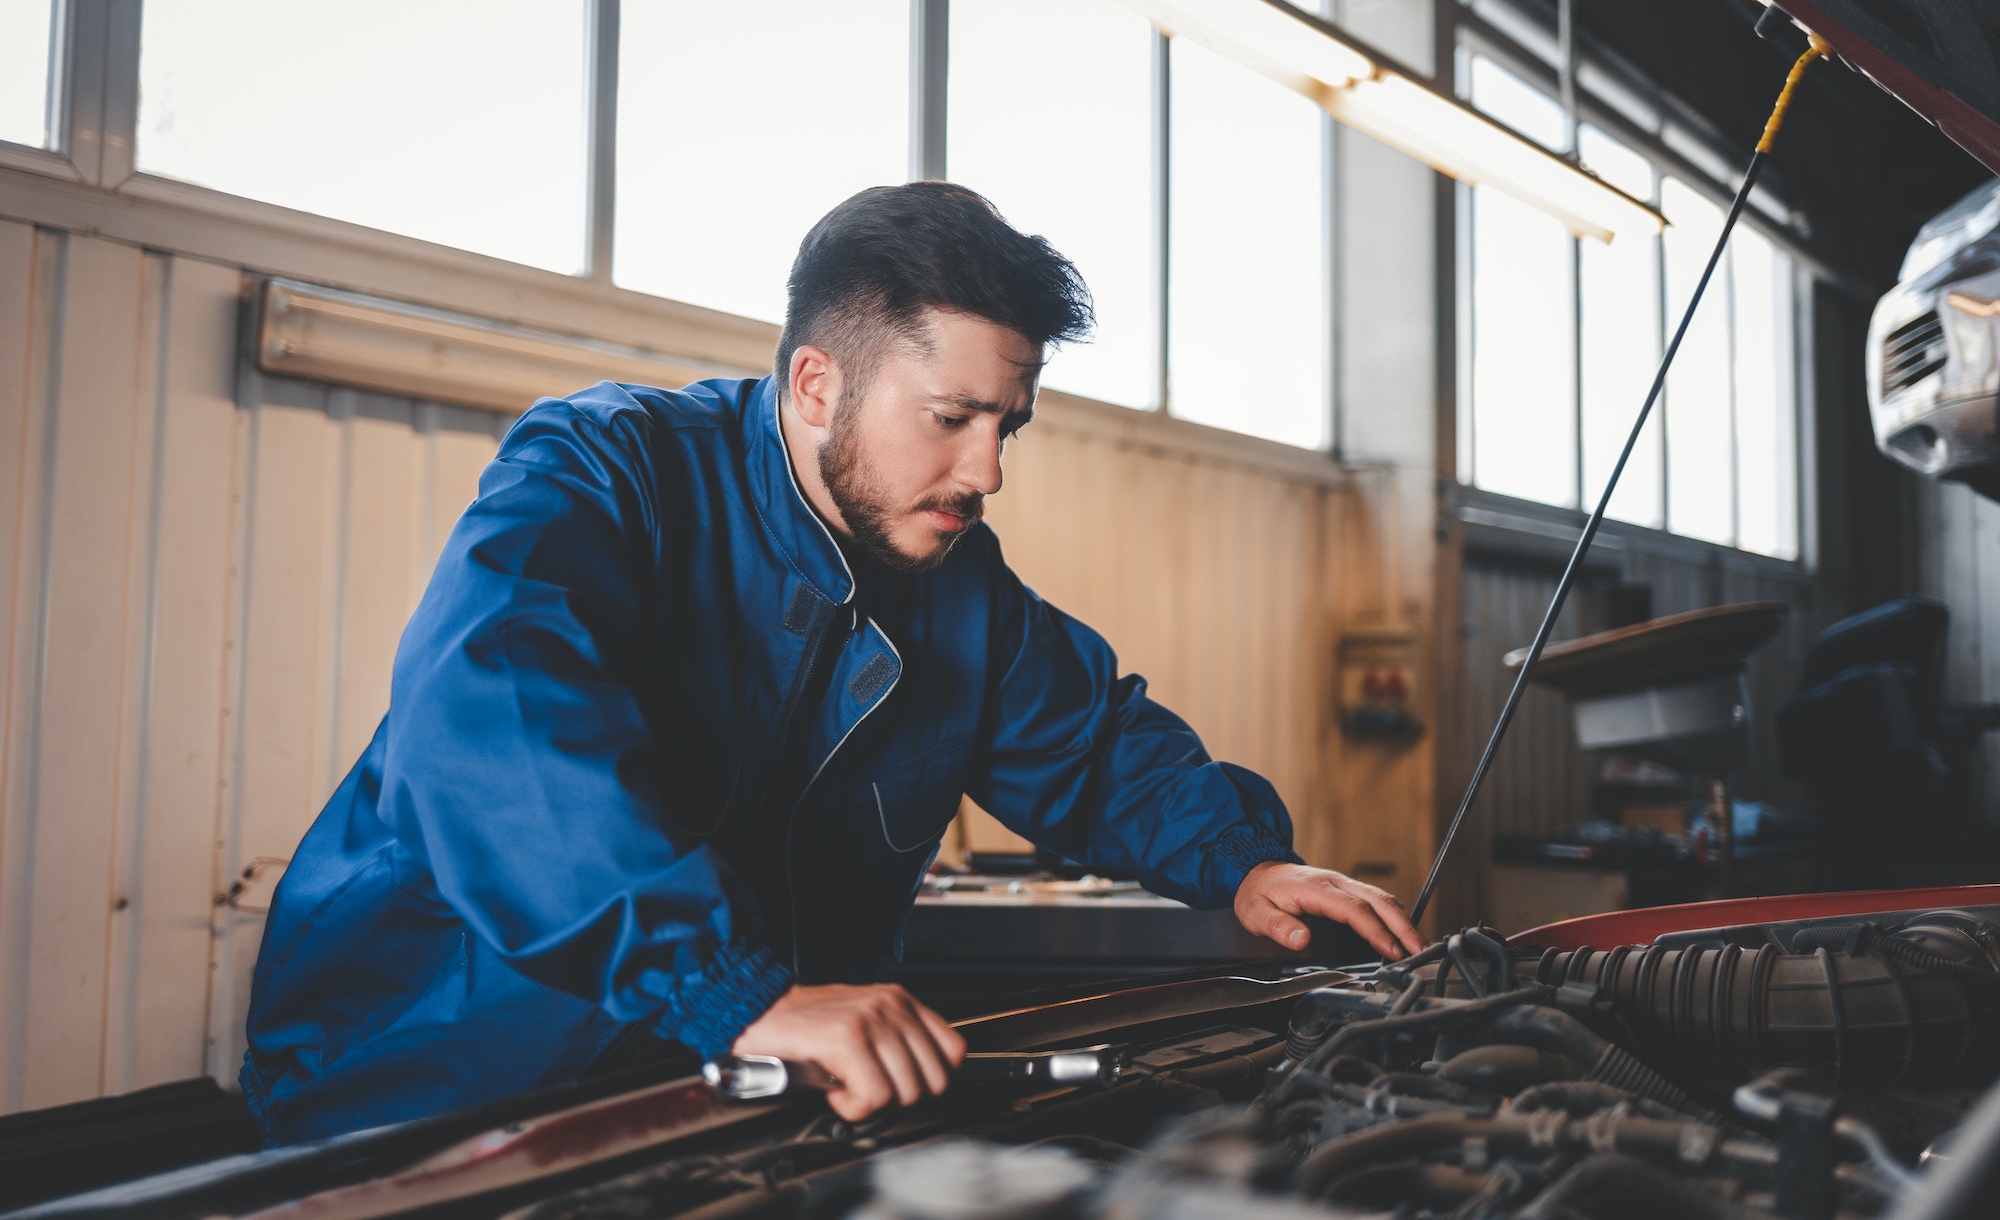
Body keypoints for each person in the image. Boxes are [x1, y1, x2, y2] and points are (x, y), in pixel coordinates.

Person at [241, 182, 1425, 1145]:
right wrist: (731, 993)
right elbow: (495, 721)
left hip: (715, 1100)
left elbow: (1094, 745)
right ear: (817, 382)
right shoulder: (608, 474)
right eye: (951, 417)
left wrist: (1245, 863)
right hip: (429, 1089)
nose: (986, 472)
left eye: (1005, 426)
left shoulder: (955, 582)